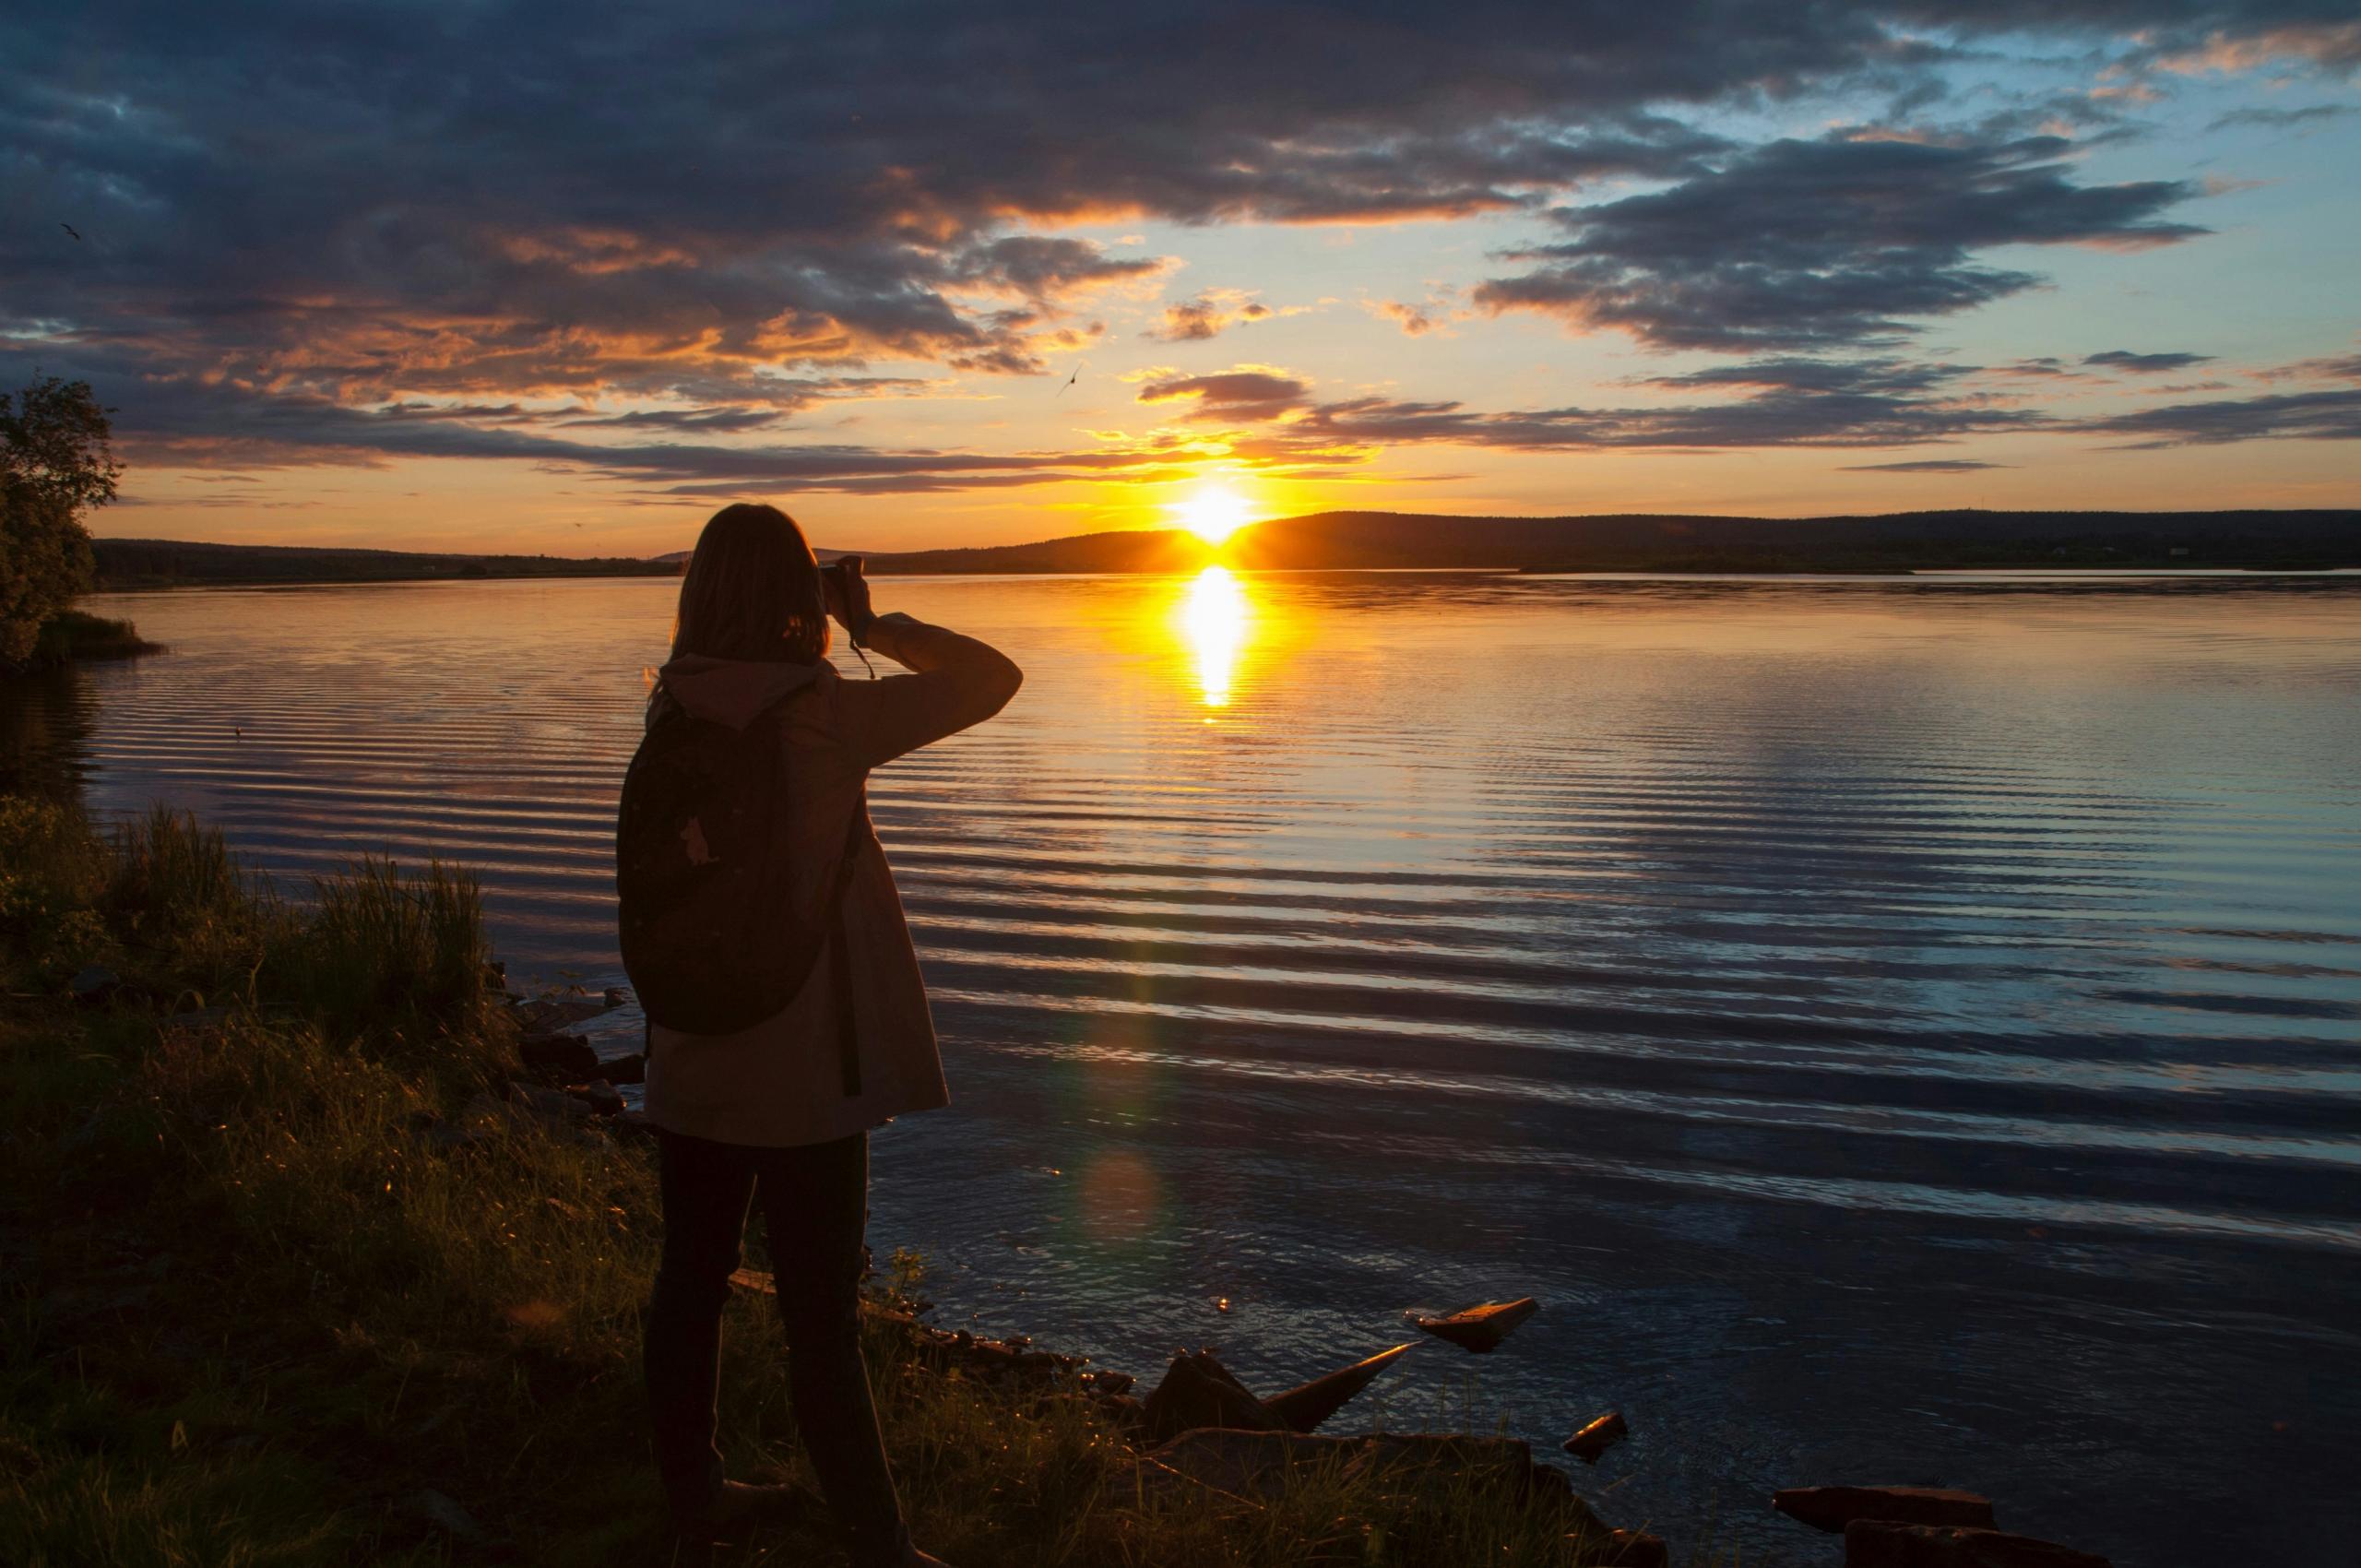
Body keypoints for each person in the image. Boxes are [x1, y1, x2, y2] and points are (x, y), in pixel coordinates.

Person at [635, 502, 1021, 1562]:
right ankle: (878, 1543)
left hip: (694, 1053)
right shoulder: (825, 715)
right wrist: (870, 620)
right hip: (804, 1076)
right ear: (799, 597)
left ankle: (692, 1494)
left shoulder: (668, 710)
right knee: (820, 1320)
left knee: (689, 1280)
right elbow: (994, 678)